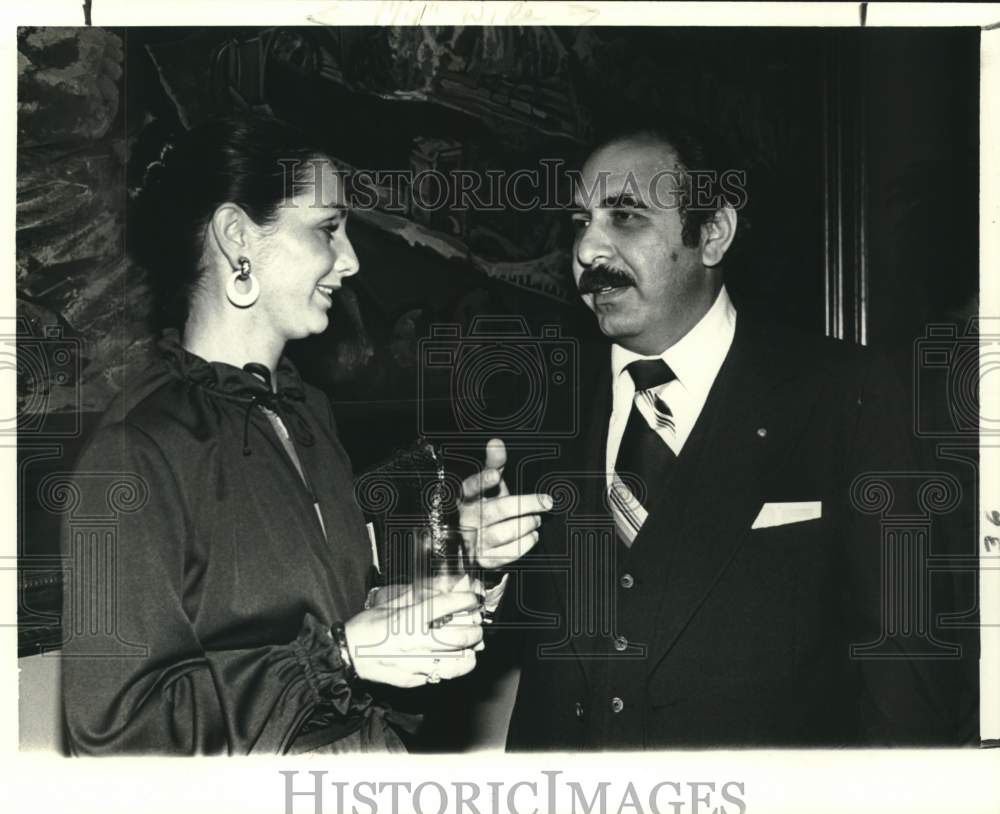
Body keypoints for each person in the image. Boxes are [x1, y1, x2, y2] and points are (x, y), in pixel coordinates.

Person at [460, 122, 966, 749]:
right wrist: (484, 575)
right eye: (579, 221)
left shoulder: (844, 395)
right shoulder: (533, 406)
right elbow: (484, 662)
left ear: (713, 234)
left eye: (625, 217)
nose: (588, 248)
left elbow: (909, 671)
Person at [59, 115, 484, 755]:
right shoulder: (134, 451)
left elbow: (329, 616)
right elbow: (116, 731)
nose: (352, 260)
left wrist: (451, 567)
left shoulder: (306, 414)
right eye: (327, 228)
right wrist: (337, 656)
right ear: (238, 237)